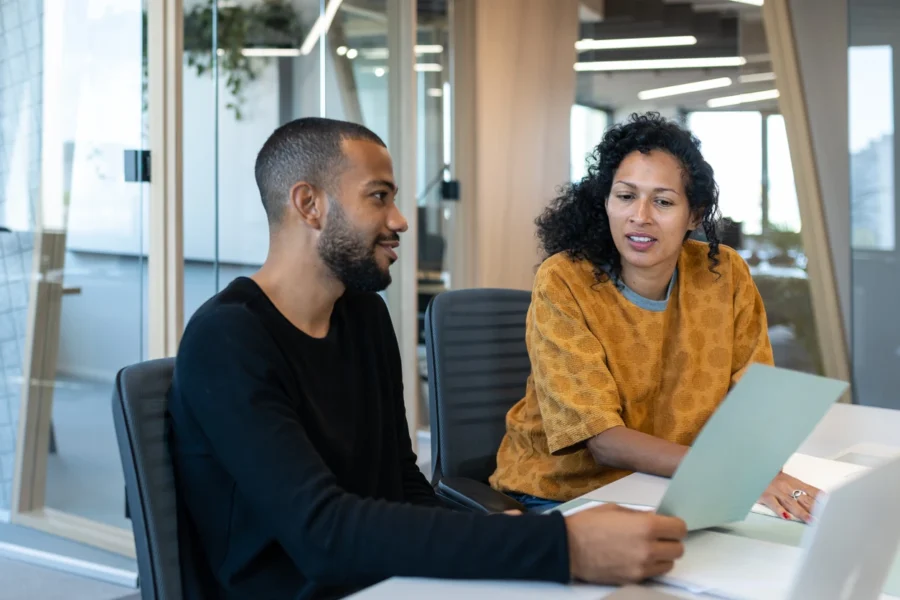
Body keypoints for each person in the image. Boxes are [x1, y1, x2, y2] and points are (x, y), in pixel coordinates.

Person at [167, 117, 688, 600]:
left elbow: (401, 485)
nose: (400, 220)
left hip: (385, 579)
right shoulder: (228, 339)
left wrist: (507, 530)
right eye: (378, 197)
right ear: (309, 205)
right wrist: (561, 544)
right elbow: (321, 533)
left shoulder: (364, 316)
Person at [490, 112, 820, 522]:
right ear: (605, 201)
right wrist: (733, 472)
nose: (640, 215)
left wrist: (764, 471)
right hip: (565, 493)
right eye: (625, 196)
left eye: (663, 201)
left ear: (694, 215)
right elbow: (603, 441)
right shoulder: (564, 280)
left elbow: (754, 401)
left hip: (677, 485)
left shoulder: (725, 274)